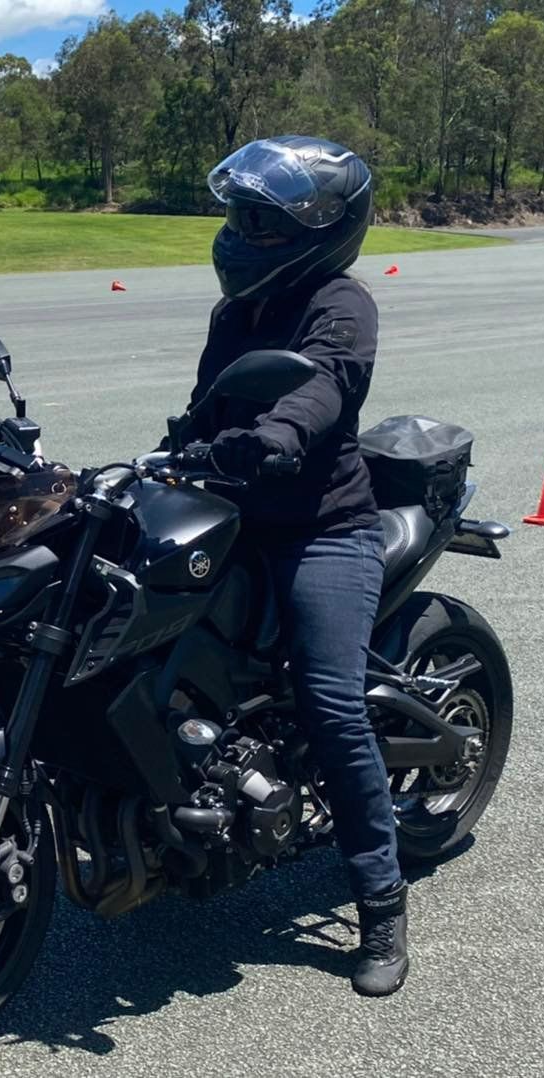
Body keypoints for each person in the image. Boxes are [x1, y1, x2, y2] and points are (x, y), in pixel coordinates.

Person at [182, 135, 407, 996]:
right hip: (236, 512)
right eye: (236, 214)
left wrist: (277, 435)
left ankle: (381, 904)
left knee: (326, 700)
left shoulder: (342, 302)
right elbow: (207, 409)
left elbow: (323, 386)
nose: (238, 234)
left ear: (317, 232)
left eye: (259, 222)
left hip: (323, 527)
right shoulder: (233, 313)